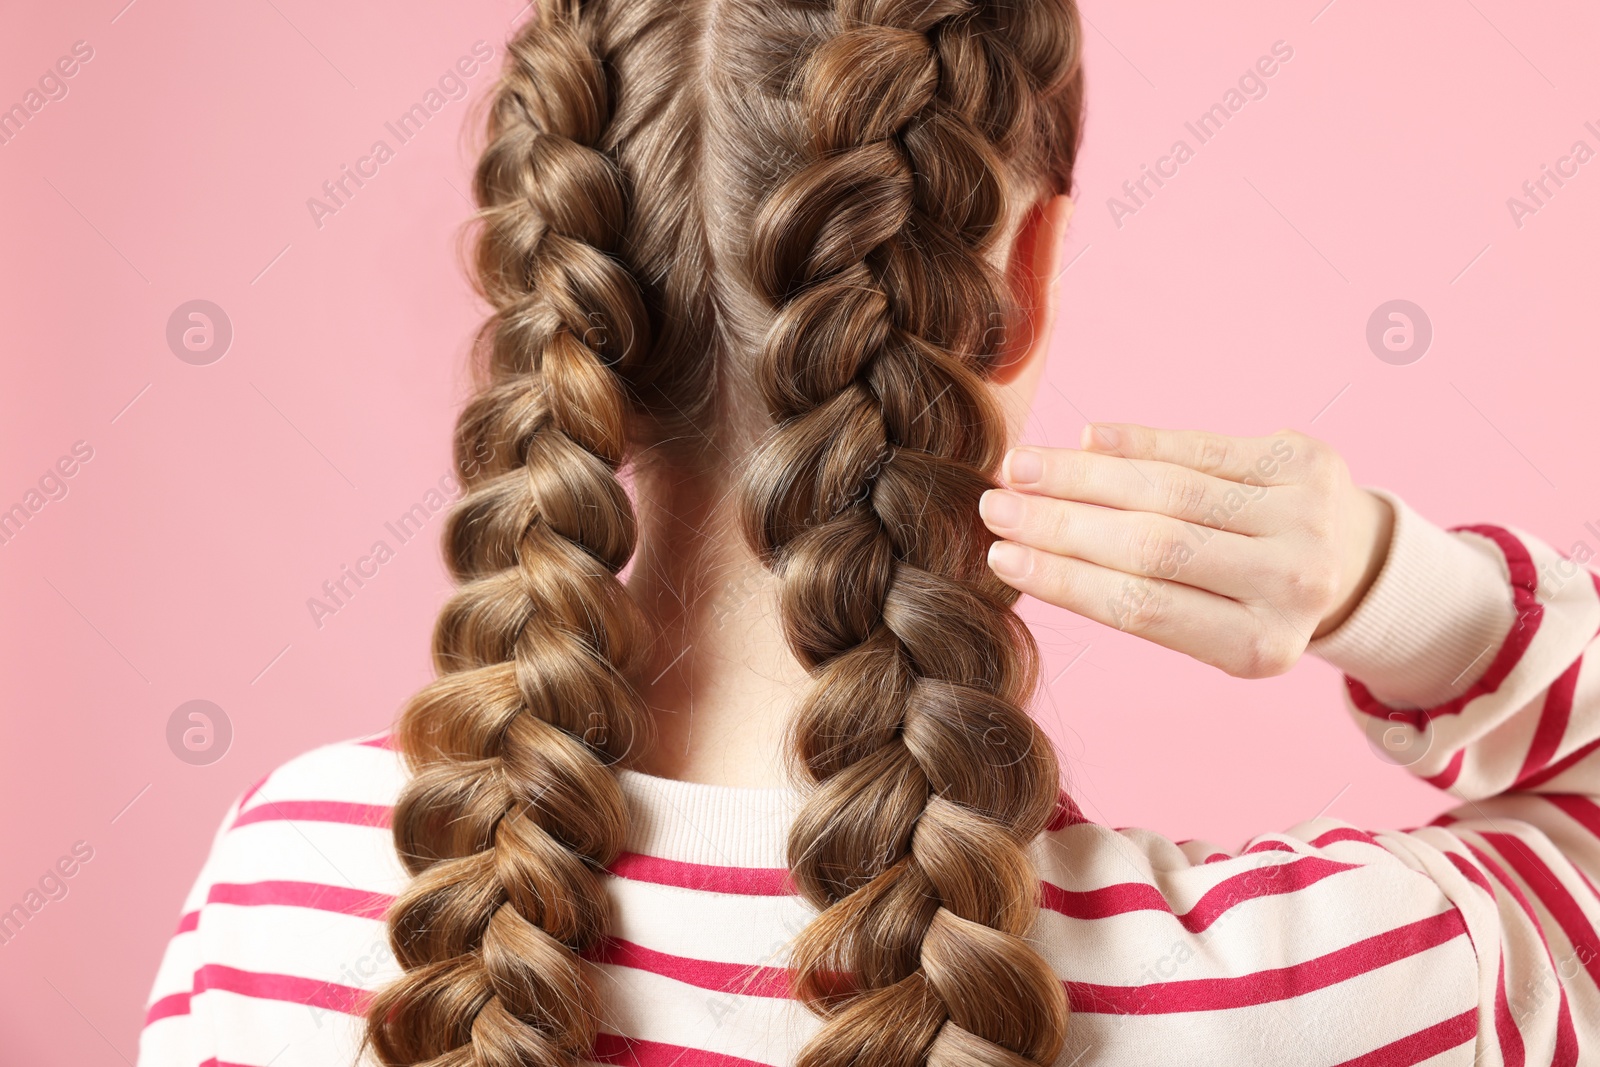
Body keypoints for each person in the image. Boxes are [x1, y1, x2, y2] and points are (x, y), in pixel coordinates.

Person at [136, 1, 1600, 1065]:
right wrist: (1397, 590)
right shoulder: (1317, 992)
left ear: (570, 290)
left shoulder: (290, 892)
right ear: (1018, 276)